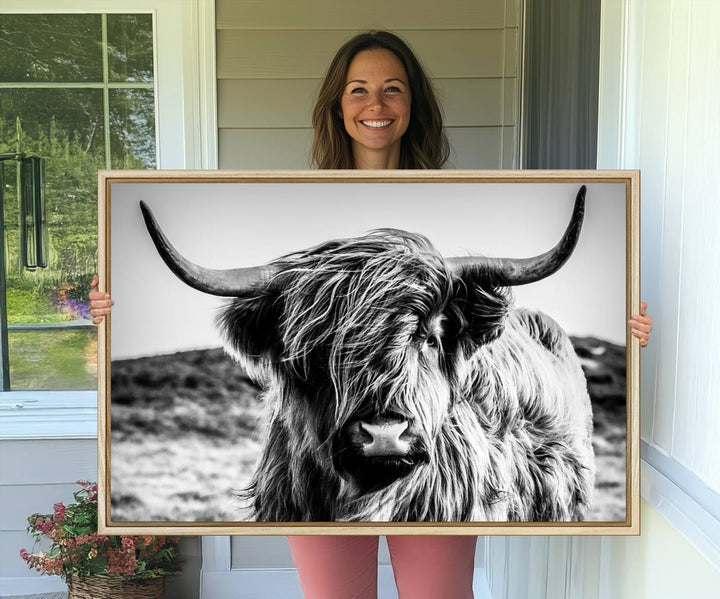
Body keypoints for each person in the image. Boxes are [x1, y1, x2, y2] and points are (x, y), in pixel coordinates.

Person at [90, 30, 653, 599]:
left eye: (393, 89)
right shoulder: (289, 192)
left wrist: (631, 325)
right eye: (358, 90)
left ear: (414, 105)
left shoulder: (462, 193)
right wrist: (109, 309)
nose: (376, 105)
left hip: (440, 459)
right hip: (314, 457)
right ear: (338, 105)